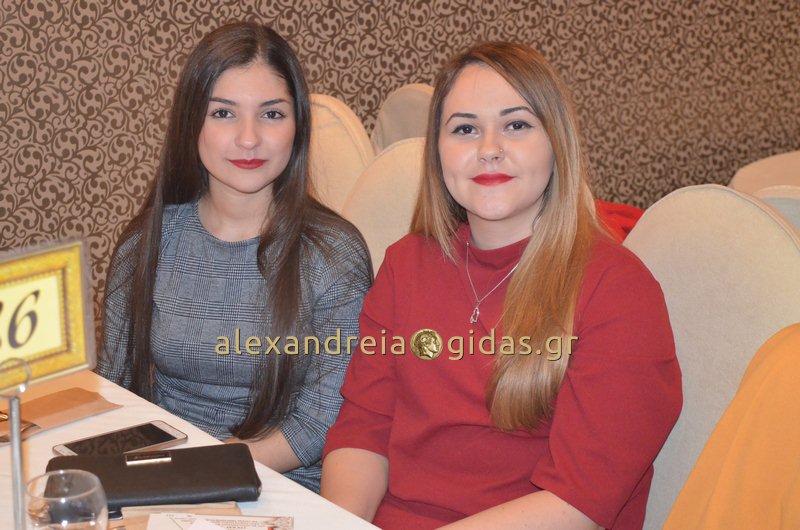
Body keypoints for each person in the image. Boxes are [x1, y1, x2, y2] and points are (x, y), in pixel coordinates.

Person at [321, 42, 681, 529]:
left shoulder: (618, 291)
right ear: (438, 153)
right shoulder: (405, 264)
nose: (489, 148)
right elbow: (364, 429)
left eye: (517, 125)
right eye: (465, 129)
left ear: (556, 143)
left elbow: (578, 503)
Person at [96, 22, 372, 493]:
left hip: (281, 487)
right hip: (164, 475)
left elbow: (320, 421)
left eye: (271, 114)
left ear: (298, 127)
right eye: (223, 113)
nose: (249, 138)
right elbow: (115, 385)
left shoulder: (333, 254)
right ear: (192, 122)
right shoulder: (148, 240)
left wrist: (198, 471)